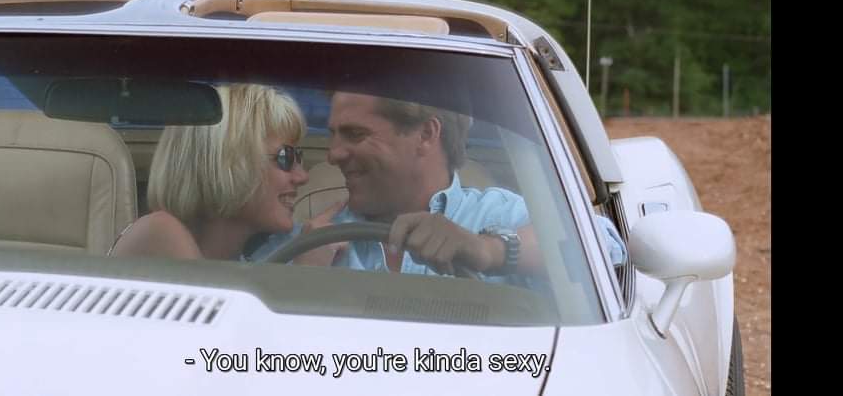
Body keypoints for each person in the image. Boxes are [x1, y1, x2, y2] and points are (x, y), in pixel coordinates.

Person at [257, 91, 627, 278]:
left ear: (426, 134)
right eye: (334, 134)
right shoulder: (311, 238)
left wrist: (488, 250)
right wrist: (298, 279)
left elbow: (606, 247)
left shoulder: (501, 216)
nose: (333, 154)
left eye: (355, 135)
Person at [109, 84, 310, 261]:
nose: (302, 177)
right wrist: (309, 267)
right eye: (286, 157)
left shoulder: (255, 252)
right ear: (230, 162)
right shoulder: (159, 232)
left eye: (298, 157)